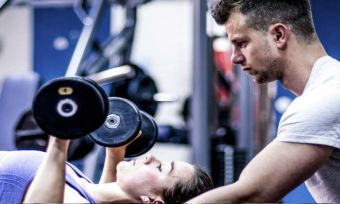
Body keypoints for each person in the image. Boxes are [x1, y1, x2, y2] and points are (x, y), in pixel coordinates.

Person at [188, 0, 340, 203]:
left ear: (278, 35)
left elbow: (251, 196)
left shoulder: (322, 101)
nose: (235, 58)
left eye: (241, 43)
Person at [0, 133, 214, 203]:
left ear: (153, 201)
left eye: (161, 169)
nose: (150, 157)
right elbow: (103, 195)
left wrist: (59, 141)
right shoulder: (88, 190)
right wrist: (115, 154)